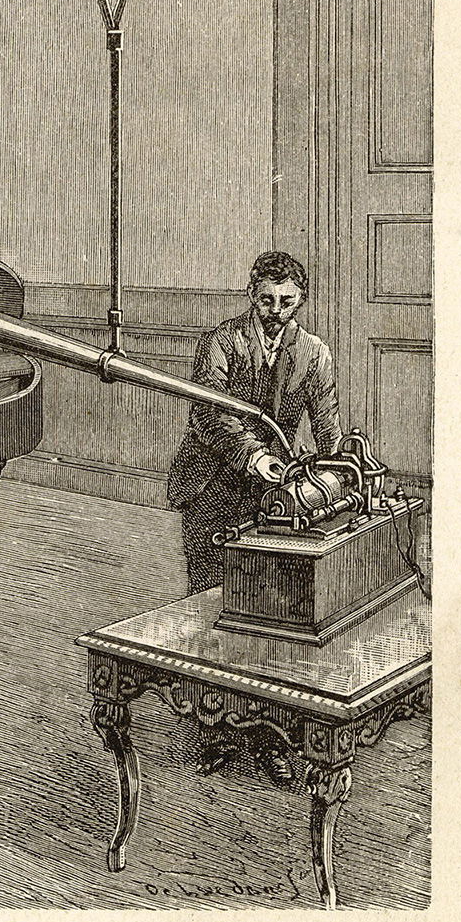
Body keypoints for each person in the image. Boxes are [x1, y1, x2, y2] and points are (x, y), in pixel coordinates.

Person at [167, 251, 342, 782]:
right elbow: (211, 414)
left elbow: (328, 423)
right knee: (213, 609)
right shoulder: (220, 343)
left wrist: (339, 471)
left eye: (287, 302)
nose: (276, 312)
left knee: (267, 615)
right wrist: (254, 456)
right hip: (212, 489)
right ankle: (215, 732)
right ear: (251, 296)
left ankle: (268, 734)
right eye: (266, 301)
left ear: (301, 300)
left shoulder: (313, 354)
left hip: (269, 500)